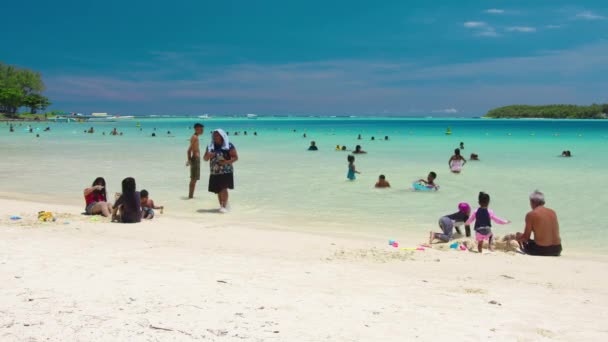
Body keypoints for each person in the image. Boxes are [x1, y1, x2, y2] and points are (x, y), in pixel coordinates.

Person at [514, 191, 562, 256]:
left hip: (541, 250)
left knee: (518, 235)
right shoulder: (553, 212)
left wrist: (516, 237)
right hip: (557, 249)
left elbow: (525, 237)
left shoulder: (531, 214)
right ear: (543, 202)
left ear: (532, 202)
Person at [203, 129, 238, 213]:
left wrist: (226, 162)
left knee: (224, 188)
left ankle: (224, 206)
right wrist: (208, 155)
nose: (215, 137)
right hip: (214, 171)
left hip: (226, 171)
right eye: (214, 135)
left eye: (217, 135)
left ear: (222, 136)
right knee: (218, 190)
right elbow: (205, 159)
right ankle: (221, 206)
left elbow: (235, 157)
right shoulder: (210, 146)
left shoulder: (228, 145)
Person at [187, 123, 204, 198]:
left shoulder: (195, 137)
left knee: (194, 179)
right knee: (193, 179)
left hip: (195, 159)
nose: (202, 130)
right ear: (197, 129)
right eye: (201, 129)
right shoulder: (195, 137)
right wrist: (189, 160)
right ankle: (190, 196)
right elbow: (188, 150)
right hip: (195, 159)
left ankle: (191, 196)